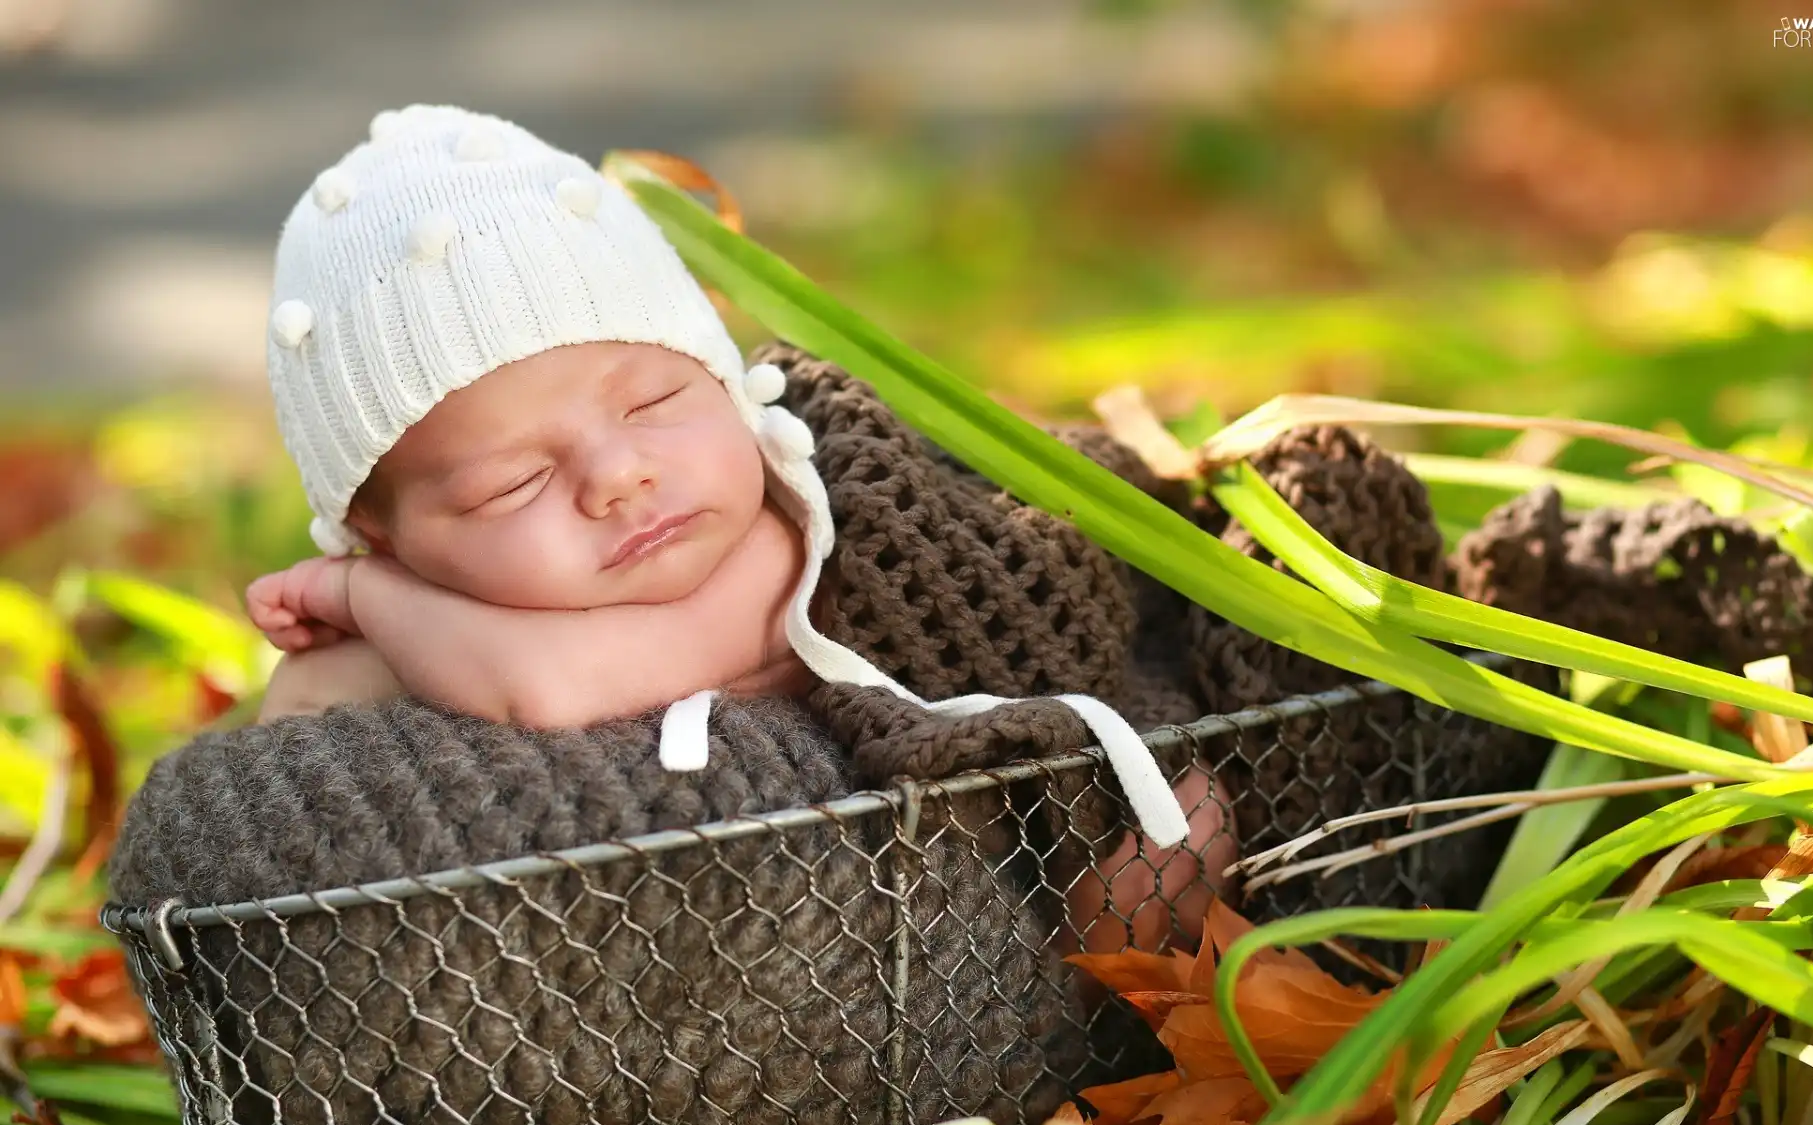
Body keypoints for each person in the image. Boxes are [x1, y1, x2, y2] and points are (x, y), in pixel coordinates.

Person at [242, 102, 1230, 946]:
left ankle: (1085, 992)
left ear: (725, 384)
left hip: (983, 815)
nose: (619, 476)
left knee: (1176, 831)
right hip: (733, 947)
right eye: (514, 483)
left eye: (655, 404)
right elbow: (298, 763)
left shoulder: (778, 533)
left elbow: (543, 686)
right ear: (388, 534)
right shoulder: (452, 607)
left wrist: (357, 600)